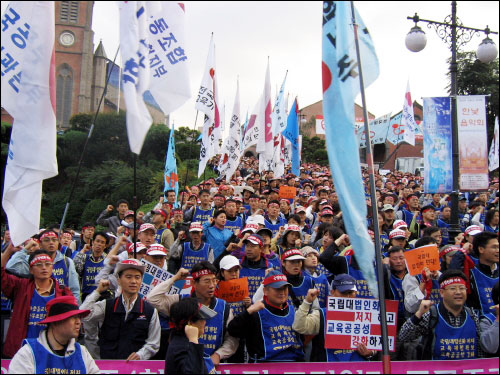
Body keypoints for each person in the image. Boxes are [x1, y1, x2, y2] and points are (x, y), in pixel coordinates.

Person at [147, 262, 238, 371]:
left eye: (214, 280)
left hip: (213, 366)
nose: (212, 285)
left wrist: (219, 354)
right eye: (207, 281)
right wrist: (174, 278)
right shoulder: (181, 303)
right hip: (184, 363)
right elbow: (152, 298)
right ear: (194, 283)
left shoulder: (224, 308)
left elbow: (232, 339)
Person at [398, 269, 494, 359]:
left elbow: (479, 349)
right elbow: (404, 336)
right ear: (442, 292)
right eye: (453, 288)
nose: (458, 292)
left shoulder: (472, 315)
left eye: (462, 288)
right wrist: (418, 314)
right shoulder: (432, 315)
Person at [80, 259, 161, 360]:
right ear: (119, 280)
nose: (133, 281)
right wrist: (97, 292)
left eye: (137, 277)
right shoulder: (107, 306)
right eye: (128, 277)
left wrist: (140, 355)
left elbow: (153, 343)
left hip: (136, 368)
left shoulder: (150, 311)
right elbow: (84, 314)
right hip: (109, 367)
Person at [1, 248, 74, 358]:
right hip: (22, 350)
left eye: (48, 264)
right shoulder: (20, 286)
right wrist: (9, 250)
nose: (44, 268)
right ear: (31, 270)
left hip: (53, 351)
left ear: (52, 267)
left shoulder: (64, 292)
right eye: (39, 264)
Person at [292, 274, 376, 362]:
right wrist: (307, 302)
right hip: (328, 369)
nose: (347, 297)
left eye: (350, 293)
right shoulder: (321, 315)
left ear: (355, 293)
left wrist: (371, 353)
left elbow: (375, 344)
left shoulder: (365, 314)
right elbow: (298, 326)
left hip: (359, 369)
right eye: (343, 293)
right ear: (332, 292)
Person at [8, 296, 99, 374]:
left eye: (79, 317)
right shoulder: (28, 353)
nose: (78, 322)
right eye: (73, 318)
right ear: (55, 322)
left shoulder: (82, 352)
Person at [227, 270, 304, 362]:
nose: (282, 292)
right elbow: (232, 330)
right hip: (264, 366)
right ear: (265, 291)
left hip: (294, 366)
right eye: (278, 288)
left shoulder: (294, 311)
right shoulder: (256, 312)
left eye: (285, 288)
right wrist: (248, 311)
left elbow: (302, 338)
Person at [6, 229, 81, 303]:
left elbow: (74, 289)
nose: (51, 242)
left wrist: (75, 308)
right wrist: (25, 249)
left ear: (58, 242)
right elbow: (11, 266)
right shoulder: (32, 260)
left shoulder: (67, 261)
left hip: (60, 306)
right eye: (47, 240)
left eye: (54, 240)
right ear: (40, 244)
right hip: (36, 303)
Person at [450, 231, 499, 323]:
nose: (498, 250)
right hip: (478, 324)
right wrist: (462, 251)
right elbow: (452, 275)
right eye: (494, 247)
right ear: (481, 249)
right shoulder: (470, 273)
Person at [165, 298, 218, 374]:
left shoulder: (181, 341)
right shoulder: (183, 347)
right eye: (202, 319)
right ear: (190, 323)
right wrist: (193, 341)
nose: (205, 322)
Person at [73, 231, 108, 302]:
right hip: (86, 295)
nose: (99, 244)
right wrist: (83, 250)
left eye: (102, 242)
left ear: (105, 246)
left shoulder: (107, 260)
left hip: (103, 296)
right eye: (97, 241)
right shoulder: (85, 258)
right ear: (93, 242)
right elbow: (75, 268)